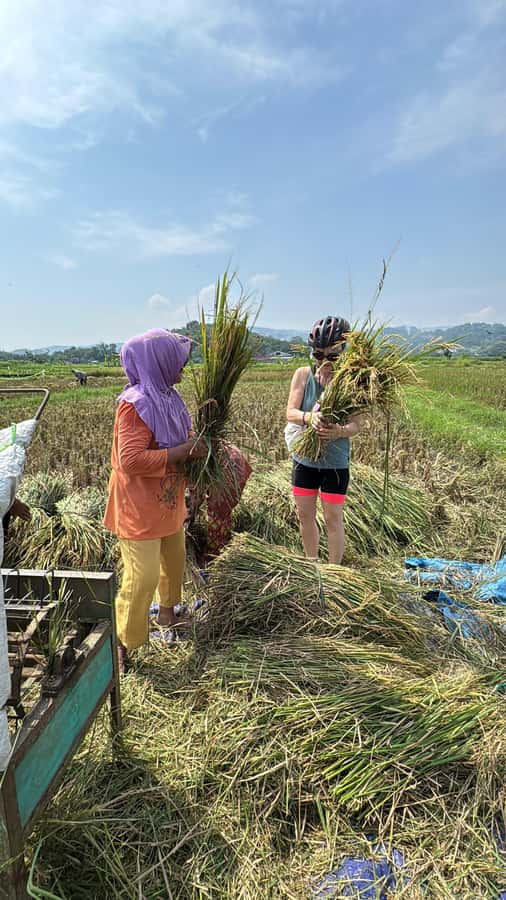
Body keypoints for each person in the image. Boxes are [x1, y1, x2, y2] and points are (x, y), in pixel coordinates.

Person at [103, 329, 207, 670]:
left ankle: (167, 615)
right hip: (138, 506)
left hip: (167, 499)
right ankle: (123, 641)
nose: (182, 367)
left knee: (173, 562)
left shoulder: (170, 398)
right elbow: (130, 460)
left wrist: (198, 447)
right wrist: (183, 452)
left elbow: (184, 436)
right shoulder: (135, 405)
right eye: (177, 361)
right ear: (158, 362)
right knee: (142, 576)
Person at [286, 315, 362, 565]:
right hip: (304, 459)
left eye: (333, 356)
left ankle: (333, 572)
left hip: (335, 462)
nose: (324, 361)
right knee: (304, 515)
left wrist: (338, 431)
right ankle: (312, 565)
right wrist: (309, 417)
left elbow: (357, 425)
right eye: (319, 355)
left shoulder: (353, 382)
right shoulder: (302, 374)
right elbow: (290, 412)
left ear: (344, 352)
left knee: (333, 518)